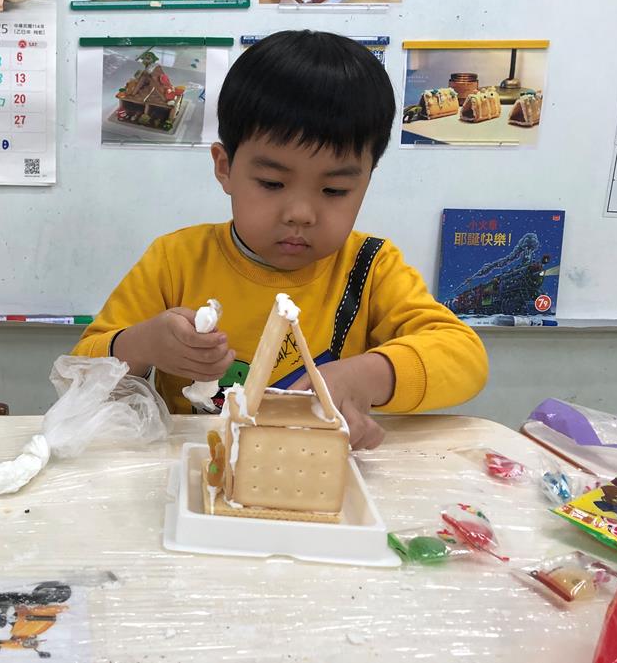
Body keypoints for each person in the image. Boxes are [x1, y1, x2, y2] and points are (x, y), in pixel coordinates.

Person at [73, 31, 488, 449]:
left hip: (317, 463)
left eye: (334, 190)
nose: (300, 214)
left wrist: (370, 375)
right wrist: (142, 345)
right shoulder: (176, 259)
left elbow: (465, 357)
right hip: (198, 467)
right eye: (272, 183)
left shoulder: (370, 267)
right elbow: (78, 372)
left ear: (366, 181)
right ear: (224, 168)